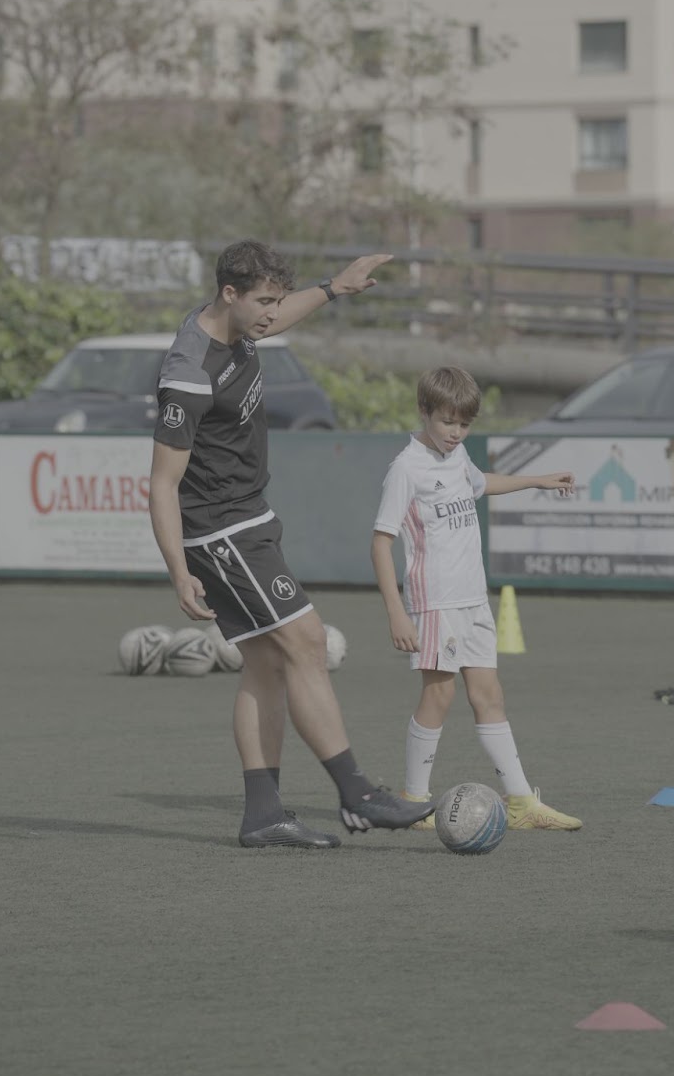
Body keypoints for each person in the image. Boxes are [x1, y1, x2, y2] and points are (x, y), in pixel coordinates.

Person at [149, 239, 434, 848]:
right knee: (306, 641)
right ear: (230, 293)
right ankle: (358, 792)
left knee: (265, 663)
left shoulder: (237, 323)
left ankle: (263, 814)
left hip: (246, 515)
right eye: (264, 303)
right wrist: (179, 571)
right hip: (221, 530)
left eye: (277, 301)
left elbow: (283, 312)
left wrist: (336, 287)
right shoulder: (188, 374)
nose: (273, 315)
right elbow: (162, 483)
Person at [370, 365, 583, 831]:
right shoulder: (407, 468)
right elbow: (380, 542)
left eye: (464, 424)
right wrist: (396, 614)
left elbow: (480, 483)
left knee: (489, 695)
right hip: (435, 604)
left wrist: (537, 481)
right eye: (448, 422)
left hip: (473, 599)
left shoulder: (457, 455)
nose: (456, 432)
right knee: (439, 696)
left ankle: (523, 803)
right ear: (424, 411)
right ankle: (413, 800)